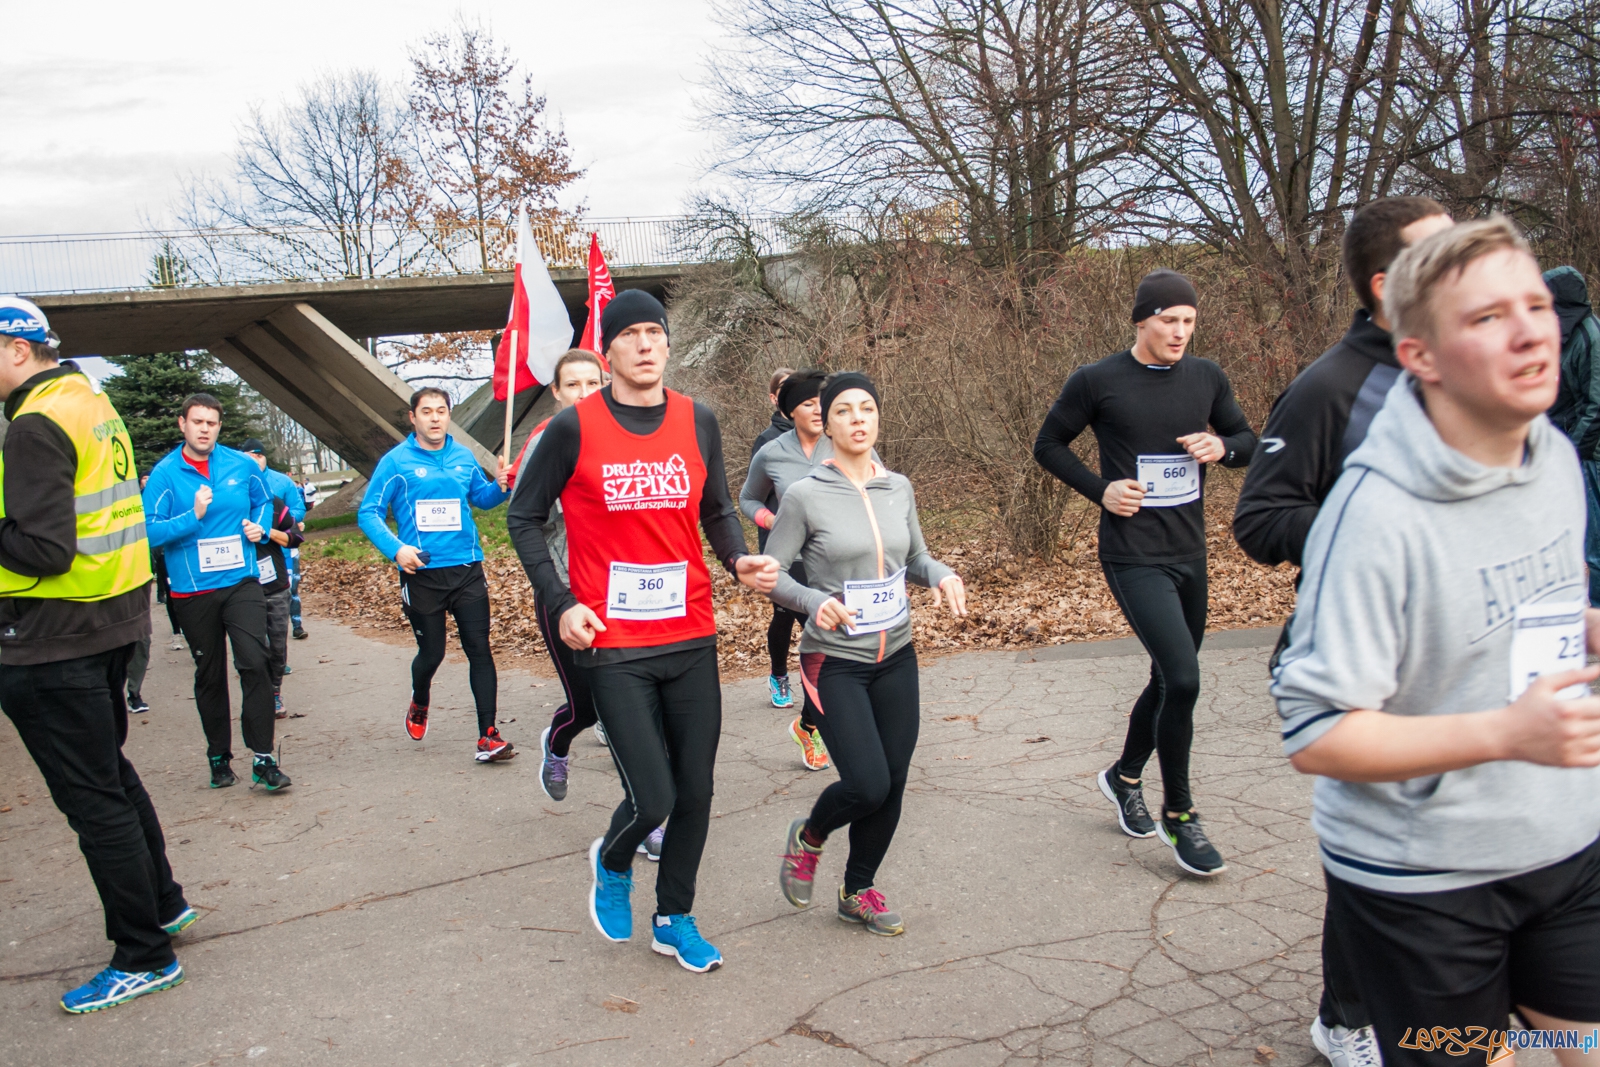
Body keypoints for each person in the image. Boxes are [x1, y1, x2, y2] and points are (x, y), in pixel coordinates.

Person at [1273, 216, 1600, 1067]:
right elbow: (1315, 731)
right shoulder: (1374, 515)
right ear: (1419, 355)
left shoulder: (1553, 456)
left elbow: (1539, 603)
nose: (1533, 328)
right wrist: (1506, 733)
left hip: (1564, 837)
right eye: (1488, 316)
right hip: (1426, 883)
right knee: (1478, 1054)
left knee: (1578, 1041)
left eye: (1535, 303)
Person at [1232, 195, 1452, 1067]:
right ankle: (1348, 1015)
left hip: (1464, 654)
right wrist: (1374, 532)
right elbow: (1261, 519)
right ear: (1386, 282)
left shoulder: (1467, 370)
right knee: (1384, 849)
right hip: (1365, 661)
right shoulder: (1333, 385)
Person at [507, 289, 779, 974]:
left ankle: (674, 917)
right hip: (614, 640)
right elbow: (523, 517)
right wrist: (561, 599)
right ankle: (612, 854)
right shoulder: (573, 427)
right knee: (653, 794)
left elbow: (717, 507)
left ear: (666, 343)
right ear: (609, 351)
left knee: (697, 789)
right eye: (629, 334)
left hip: (689, 629)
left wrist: (735, 555)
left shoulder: (698, 419)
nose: (645, 343)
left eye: (655, 331)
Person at [0, 297, 193, 1012]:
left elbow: (43, 548)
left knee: (94, 799)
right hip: (110, 621)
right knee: (112, 776)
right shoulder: (88, 398)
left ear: (18, 349)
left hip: (52, 639)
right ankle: (164, 903)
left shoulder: (33, 422)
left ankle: (144, 951)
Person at [1034, 269, 1255, 877]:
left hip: (1189, 553)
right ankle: (1180, 815)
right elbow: (1048, 444)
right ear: (1141, 321)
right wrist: (1101, 490)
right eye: (1168, 320)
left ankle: (1122, 775)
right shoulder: (1098, 380)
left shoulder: (1207, 377)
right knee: (1183, 677)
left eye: (1188, 321)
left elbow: (1246, 437)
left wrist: (1224, 449)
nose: (1180, 331)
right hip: (1132, 555)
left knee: (1167, 677)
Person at [770, 371, 967, 935]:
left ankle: (858, 889)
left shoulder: (897, 486)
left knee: (895, 780)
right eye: (844, 411)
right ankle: (810, 835)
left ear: (878, 418)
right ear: (825, 424)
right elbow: (775, 574)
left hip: (896, 656)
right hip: (834, 661)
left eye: (867, 409)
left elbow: (918, 557)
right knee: (867, 783)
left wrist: (942, 574)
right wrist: (813, 602)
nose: (858, 419)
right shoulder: (805, 495)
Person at [358, 387, 513, 761]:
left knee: (480, 650)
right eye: (426, 411)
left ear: (448, 416)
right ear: (413, 418)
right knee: (432, 654)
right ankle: (420, 698)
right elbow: (368, 512)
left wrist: (502, 485)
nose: (434, 417)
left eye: (441, 410)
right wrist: (397, 549)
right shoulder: (396, 463)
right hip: (422, 573)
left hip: (466, 570)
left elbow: (481, 497)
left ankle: (488, 734)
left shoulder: (462, 456)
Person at [144, 395, 287, 791]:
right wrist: (194, 517)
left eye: (212, 422)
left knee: (254, 661)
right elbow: (149, 531)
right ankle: (218, 757)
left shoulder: (240, 465)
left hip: (241, 581)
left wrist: (258, 527)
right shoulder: (165, 474)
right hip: (193, 592)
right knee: (210, 674)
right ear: (182, 425)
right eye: (197, 422)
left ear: (219, 427)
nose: (205, 429)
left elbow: (263, 502)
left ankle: (263, 757)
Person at [741, 367, 838, 770]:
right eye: (807, 403)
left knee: (840, 649)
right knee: (827, 641)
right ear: (790, 410)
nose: (818, 410)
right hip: (794, 565)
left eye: (822, 401)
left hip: (842, 564)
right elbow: (748, 499)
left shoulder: (845, 442)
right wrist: (769, 520)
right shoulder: (772, 451)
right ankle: (813, 726)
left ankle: (812, 722)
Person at [1543, 265, 1600, 606]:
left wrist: (1573, 452)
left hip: (1590, 455)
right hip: (1568, 448)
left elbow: (1596, 406)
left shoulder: (1590, 338)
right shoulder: (1563, 336)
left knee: (1595, 547)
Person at [241, 440, 305, 716]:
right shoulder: (231, 504)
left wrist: (267, 532)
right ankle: (258, 695)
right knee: (252, 650)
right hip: (241, 587)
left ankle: (275, 691)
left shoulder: (275, 504)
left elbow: (296, 537)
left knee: (277, 646)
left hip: (275, 584)